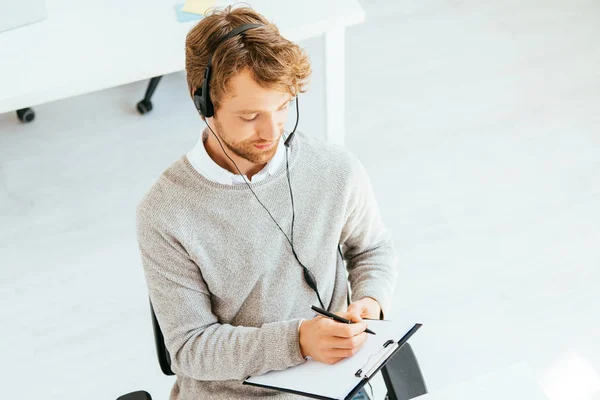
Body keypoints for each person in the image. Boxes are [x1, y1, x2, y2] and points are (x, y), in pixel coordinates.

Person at [136, 5, 397, 400]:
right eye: (250, 115)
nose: (272, 132)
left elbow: (372, 248)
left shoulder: (335, 170)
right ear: (202, 103)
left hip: (337, 383)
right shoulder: (166, 213)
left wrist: (370, 303)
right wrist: (298, 341)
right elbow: (190, 348)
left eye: (282, 107)